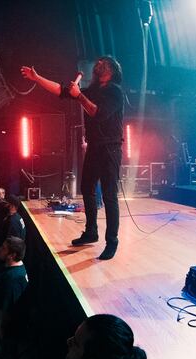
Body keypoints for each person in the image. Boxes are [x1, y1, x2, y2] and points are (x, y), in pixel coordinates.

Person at [21, 56, 125, 260]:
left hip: (110, 148)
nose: (98, 63)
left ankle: (111, 241)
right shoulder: (93, 90)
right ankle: (91, 232)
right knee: (86, 188)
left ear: (112, 69)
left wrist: (79, 96)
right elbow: (61, 90)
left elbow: (98, 113)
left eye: (104, 62)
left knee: (109, 195)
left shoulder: (115, 91)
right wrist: (37, 78)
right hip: (95, 147)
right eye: (98, 61)